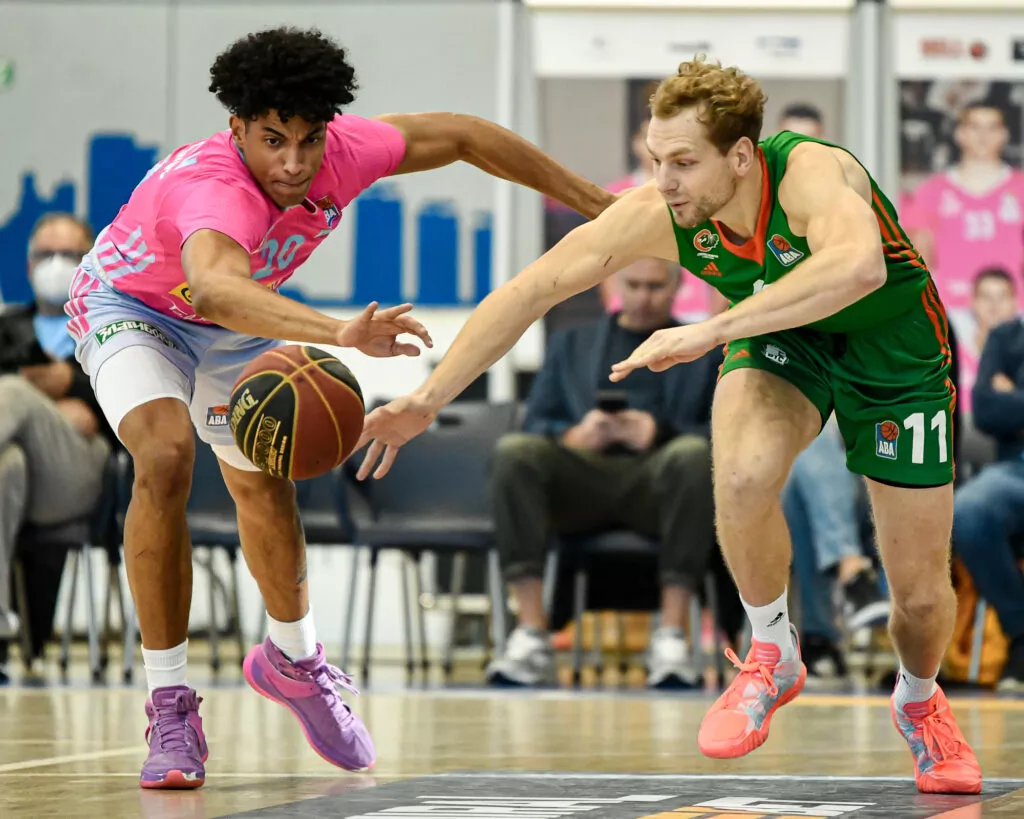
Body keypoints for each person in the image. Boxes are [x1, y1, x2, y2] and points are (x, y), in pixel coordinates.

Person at [358, 57, 981, 794]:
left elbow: (857, 268)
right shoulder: (659, 210)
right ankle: (772, 652)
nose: (664, 180)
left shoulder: (809, 171)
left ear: (740, 157)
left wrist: (708, 330)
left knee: (919, 598)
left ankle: (919, 700)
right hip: (782, 336)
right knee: (741, 474)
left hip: (894, 350)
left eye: (683, 162)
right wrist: (427, 398)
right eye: (655, 159)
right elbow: (531, 291)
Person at [65, 27, 615, 790]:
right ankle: (169, 704)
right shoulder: (215, 188)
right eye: (273, 140)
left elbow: (467, 136)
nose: (294, 163)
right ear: (237, 130)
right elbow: (216, 287)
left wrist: (601, 206)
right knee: (163, 456)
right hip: (135, 309)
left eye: (308, 140)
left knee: (267, 481)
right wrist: (337, 332)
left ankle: (294, 660)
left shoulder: (345, 151)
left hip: (232, 324)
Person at [486, 258, 720, 689]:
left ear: (676, 290)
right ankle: (531, 633)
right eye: (634, 284)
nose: (644, 296)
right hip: (582, 479)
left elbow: (721, 433)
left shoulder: (702, 350)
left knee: (692, 454)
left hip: (659, 481)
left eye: (655, 286)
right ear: (612, 287)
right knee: (515, 452)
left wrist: (658, 432)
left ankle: (671, 636)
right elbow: (535, 422)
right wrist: (574, 435)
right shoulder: (571, 344)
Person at [0, 214, 115, 655]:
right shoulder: (7, 326)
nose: (55, 264)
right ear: (29, 264)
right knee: (6, 466)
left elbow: (146, 410)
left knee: (12, 389)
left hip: (78, 475)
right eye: (46, 254)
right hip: (18, 474)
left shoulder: (114, 327)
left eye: (68, 255)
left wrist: (76, 387)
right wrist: (50, 407)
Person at [952, 314, 1024, 691]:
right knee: (968, 510)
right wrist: (1000, 400)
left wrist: (1013, 396)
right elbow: (984, 409)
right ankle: (1020, 633)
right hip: (1015, 470)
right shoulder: (1005, 337)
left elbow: (1001, 408)